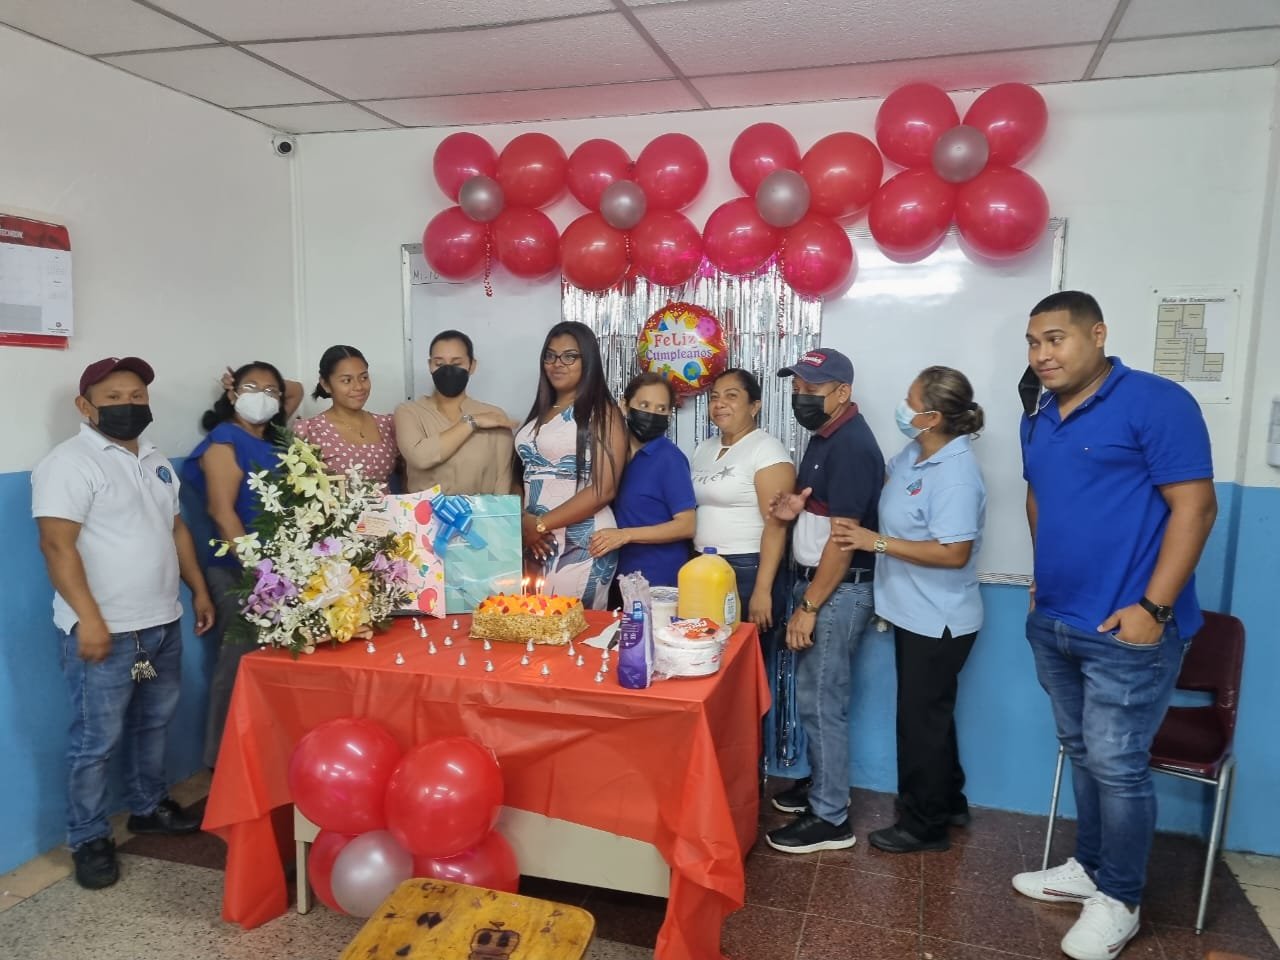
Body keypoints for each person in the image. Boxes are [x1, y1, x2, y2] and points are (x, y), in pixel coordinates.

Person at [1010, 292, 1216, 960]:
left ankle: (1121, 900)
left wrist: (1153, 610)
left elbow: (1195, 507)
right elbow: (1039, 496)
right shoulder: (1039, 415)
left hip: (1128, 629)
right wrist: (1042, 578)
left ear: (1097, 335)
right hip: (1056, 619)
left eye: (1056, 339)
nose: (1042, 355)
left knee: (1118, 764)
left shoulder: (1157, 401)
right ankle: (1090, 867)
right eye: (1033, 342)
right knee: (1081, 750)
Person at [32, 357, 215, 890]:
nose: (127, 405)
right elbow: (56, 545)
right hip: (103, 632)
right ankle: (88, 838)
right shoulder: (69, 464)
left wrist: (198, 589)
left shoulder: (154, 459)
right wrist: (89, 619)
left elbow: (175, 529)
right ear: (85, 405)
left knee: (153, 724)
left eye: (136, 396)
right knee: (96, 741)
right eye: (113, 397)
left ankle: (147, 805)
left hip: (161, 622)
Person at [830, 366, 987, 854]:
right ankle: (950, 801)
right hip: (912, 611)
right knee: (932, 717)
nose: (902, 407)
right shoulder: (916, 454)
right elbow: (884, 485)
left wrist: (874, 542)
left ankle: (924, 825)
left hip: (939, 619)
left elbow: (954, 552)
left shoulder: (957, 475)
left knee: (920, 723)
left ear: (933, 417)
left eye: (910, 400)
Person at [764, 348, 884, 854]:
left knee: (821, 702)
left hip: (836, 590)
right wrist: (797, 507)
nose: (801, 398)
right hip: (819, 584)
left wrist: (809, 607)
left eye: (812, 390)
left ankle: (831, 816)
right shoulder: (826, 436)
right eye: (796, 389)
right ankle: (822, 786)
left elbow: (845, 538)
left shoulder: (852, 445)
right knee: (815, 696)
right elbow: (824, 507)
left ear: (842, 392)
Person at [184, 361, 292, 768]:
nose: (261, 397)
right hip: (238, 571)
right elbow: (222, 512)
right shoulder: (224, 441)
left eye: (270, 391)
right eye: (251, 388)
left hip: (279, 572)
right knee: (238, 665)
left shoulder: (273, 439)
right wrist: (259, 574)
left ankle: (265, 757)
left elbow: (296, 389)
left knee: (271, 664)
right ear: (231, 395)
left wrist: (252, 384)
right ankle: (224, 763)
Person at [515, 321, 627, 608]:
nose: (557, 364)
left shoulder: (602, 412)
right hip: (535, 540)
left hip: (581, 542)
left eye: (569, 356)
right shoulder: (540, 412)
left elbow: (603, 489)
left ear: (587, 361)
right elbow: (521, 474)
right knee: (537, 625)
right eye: (550, 356)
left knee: (572, 626)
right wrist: (523, 521)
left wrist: (540, 524)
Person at [689, 368, 795, 632]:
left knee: (746, 647)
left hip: (747, 567)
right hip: (704, 563)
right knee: (707, 645)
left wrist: (762, 590)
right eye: (714, 397)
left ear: (754, 406)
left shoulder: (767, 450)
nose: (719, 404)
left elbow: (777, 526)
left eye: (731, 396)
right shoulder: (704, 448)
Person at [587, 373, 695, 589]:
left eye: (661, 409)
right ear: (624, 405)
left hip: (658, 578)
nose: (652, 414)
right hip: (615, 575)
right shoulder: (610, 454)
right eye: (644, 405)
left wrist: (625, 535)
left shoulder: (669, 458)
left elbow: (687, 525)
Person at [395, 329, 517, 495]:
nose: (448, 370)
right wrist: (471, 422)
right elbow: (420, 457)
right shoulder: (409, 412)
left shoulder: (494, 416)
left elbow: (502, 480)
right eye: (439, 364)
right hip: (426, 512)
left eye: (457, 363)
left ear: (472, 365)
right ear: (430, 365)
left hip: (481, 512)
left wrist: (499, 513)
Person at [293, 345, 398, 490]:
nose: (359, 387)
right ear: (325, 384)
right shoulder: (310, 430)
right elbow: (299, 488)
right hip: (335, 505)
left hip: (388, 504)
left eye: (364, 378)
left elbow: (408, 475)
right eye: (347, 380)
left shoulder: (387, 424)